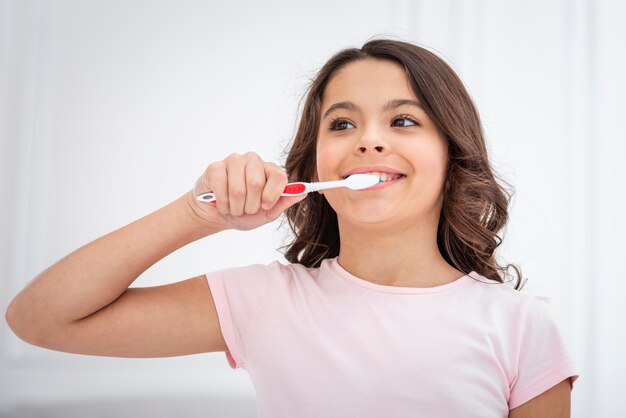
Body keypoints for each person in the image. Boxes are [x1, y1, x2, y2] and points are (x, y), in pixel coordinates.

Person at [5, 38, 578, 417]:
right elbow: (40, 320)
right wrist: (196, 213)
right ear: (312, 167)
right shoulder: (265, 301)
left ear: (453, 156)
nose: (369, 139)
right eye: (342, 122)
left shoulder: (520, 325)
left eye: (403, 120)